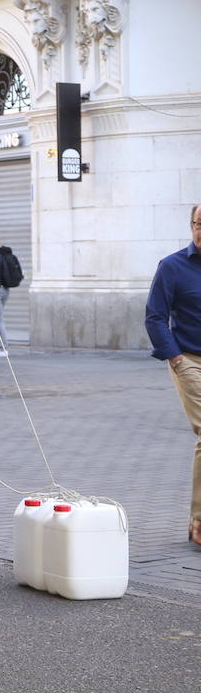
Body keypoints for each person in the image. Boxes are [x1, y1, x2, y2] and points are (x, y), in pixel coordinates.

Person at [144, 205, 201, 547]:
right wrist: (176, 359)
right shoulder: (173, 266)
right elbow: (155, 317)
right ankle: (199, 522)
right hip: (191, 360)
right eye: (199, 223)